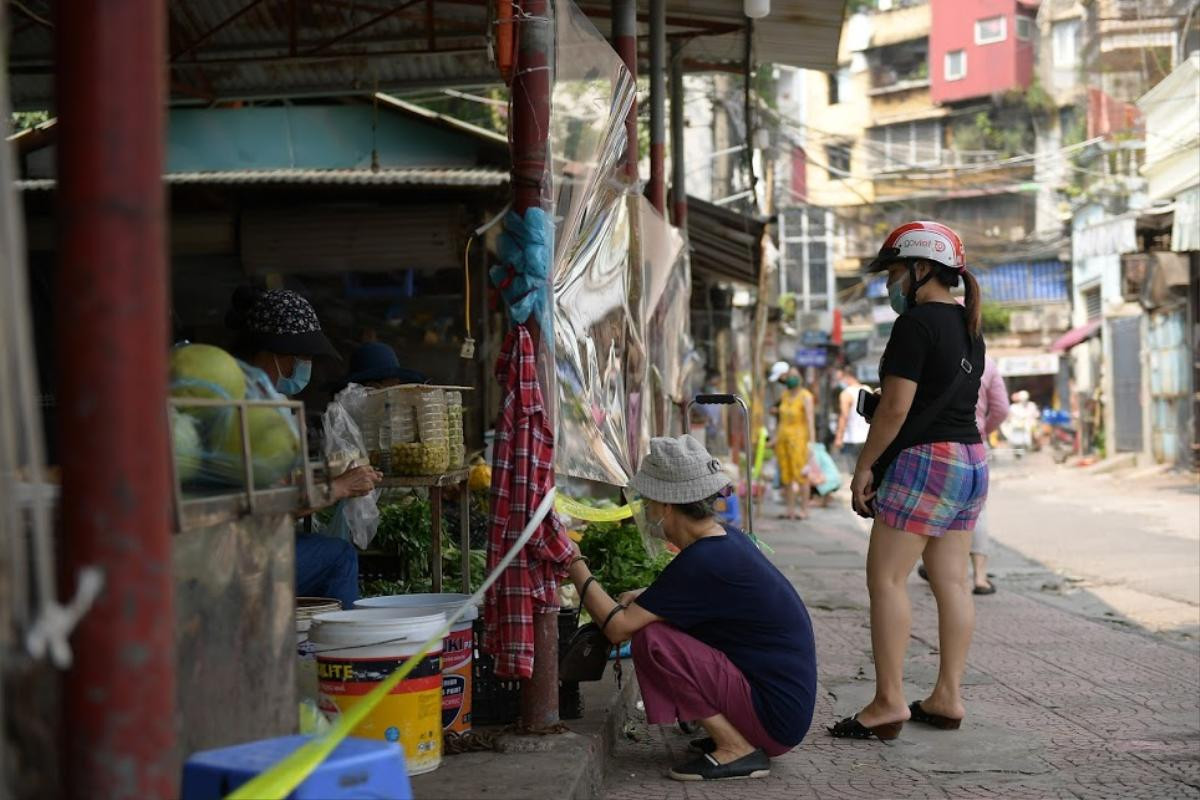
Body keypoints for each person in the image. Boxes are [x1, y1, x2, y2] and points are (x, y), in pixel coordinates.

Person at [564, 435, 817, 781]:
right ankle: (732, 734)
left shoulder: (704, 560)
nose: (648, 511)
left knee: (652, 638)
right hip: (784, 712)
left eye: (648, 501)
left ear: (665, 505)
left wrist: (574, 563)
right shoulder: (725, 541)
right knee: (655, 622)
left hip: (773, 719)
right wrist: (647, 595)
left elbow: (618, 628)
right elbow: (697, 597)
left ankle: (735, 747)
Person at [833, 221, 988, 741]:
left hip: (927, 462)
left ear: (922, 269)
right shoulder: (970, 326)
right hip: (970, 460)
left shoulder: (915, 326)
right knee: (951, 581)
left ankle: (888, 701)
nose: (890, 283)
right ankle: (947, 697)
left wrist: (863, 467)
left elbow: (896, 409)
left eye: (895, 271)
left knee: (887, 580)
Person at [226, 287, 382, 608]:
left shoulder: (259, 397)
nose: (306, 366)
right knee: (339, 556)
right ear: (276, 353)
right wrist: (338, 487)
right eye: (304, 357)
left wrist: (327, 477)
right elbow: (272, 504)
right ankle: (336, 654)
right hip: (236, 551)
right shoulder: (249, 407)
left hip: (242, 539)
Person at [920, 356, 1008, 595]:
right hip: (974, 443)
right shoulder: (987, 363)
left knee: (934, 506)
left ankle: (936, 566)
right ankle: (979, 577)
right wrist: (983, 430)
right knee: (977, 510)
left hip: (934, 442)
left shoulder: (938, 357)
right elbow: (1001, 408)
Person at [772, 368, 815, 521]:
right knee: (787, 476)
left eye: (794, 376)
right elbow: (781, 420)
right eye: (789, 376)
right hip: (783, 440)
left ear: (800, 379)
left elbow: (810, 421)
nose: (791, 379)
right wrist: (775, 438)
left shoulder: (806, 396)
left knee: (802, 476)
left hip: (799, 441)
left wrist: (812, 444)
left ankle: (804, 510)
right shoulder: (784, 395)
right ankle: (790, 509)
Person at [833, 367, 870, 475]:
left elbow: (844, 416)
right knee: (866, 472)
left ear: (847, 377)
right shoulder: (867, 389)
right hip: (867, 437)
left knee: (854, 473)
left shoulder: (846, 394)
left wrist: (839, 437)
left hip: (852, 438)